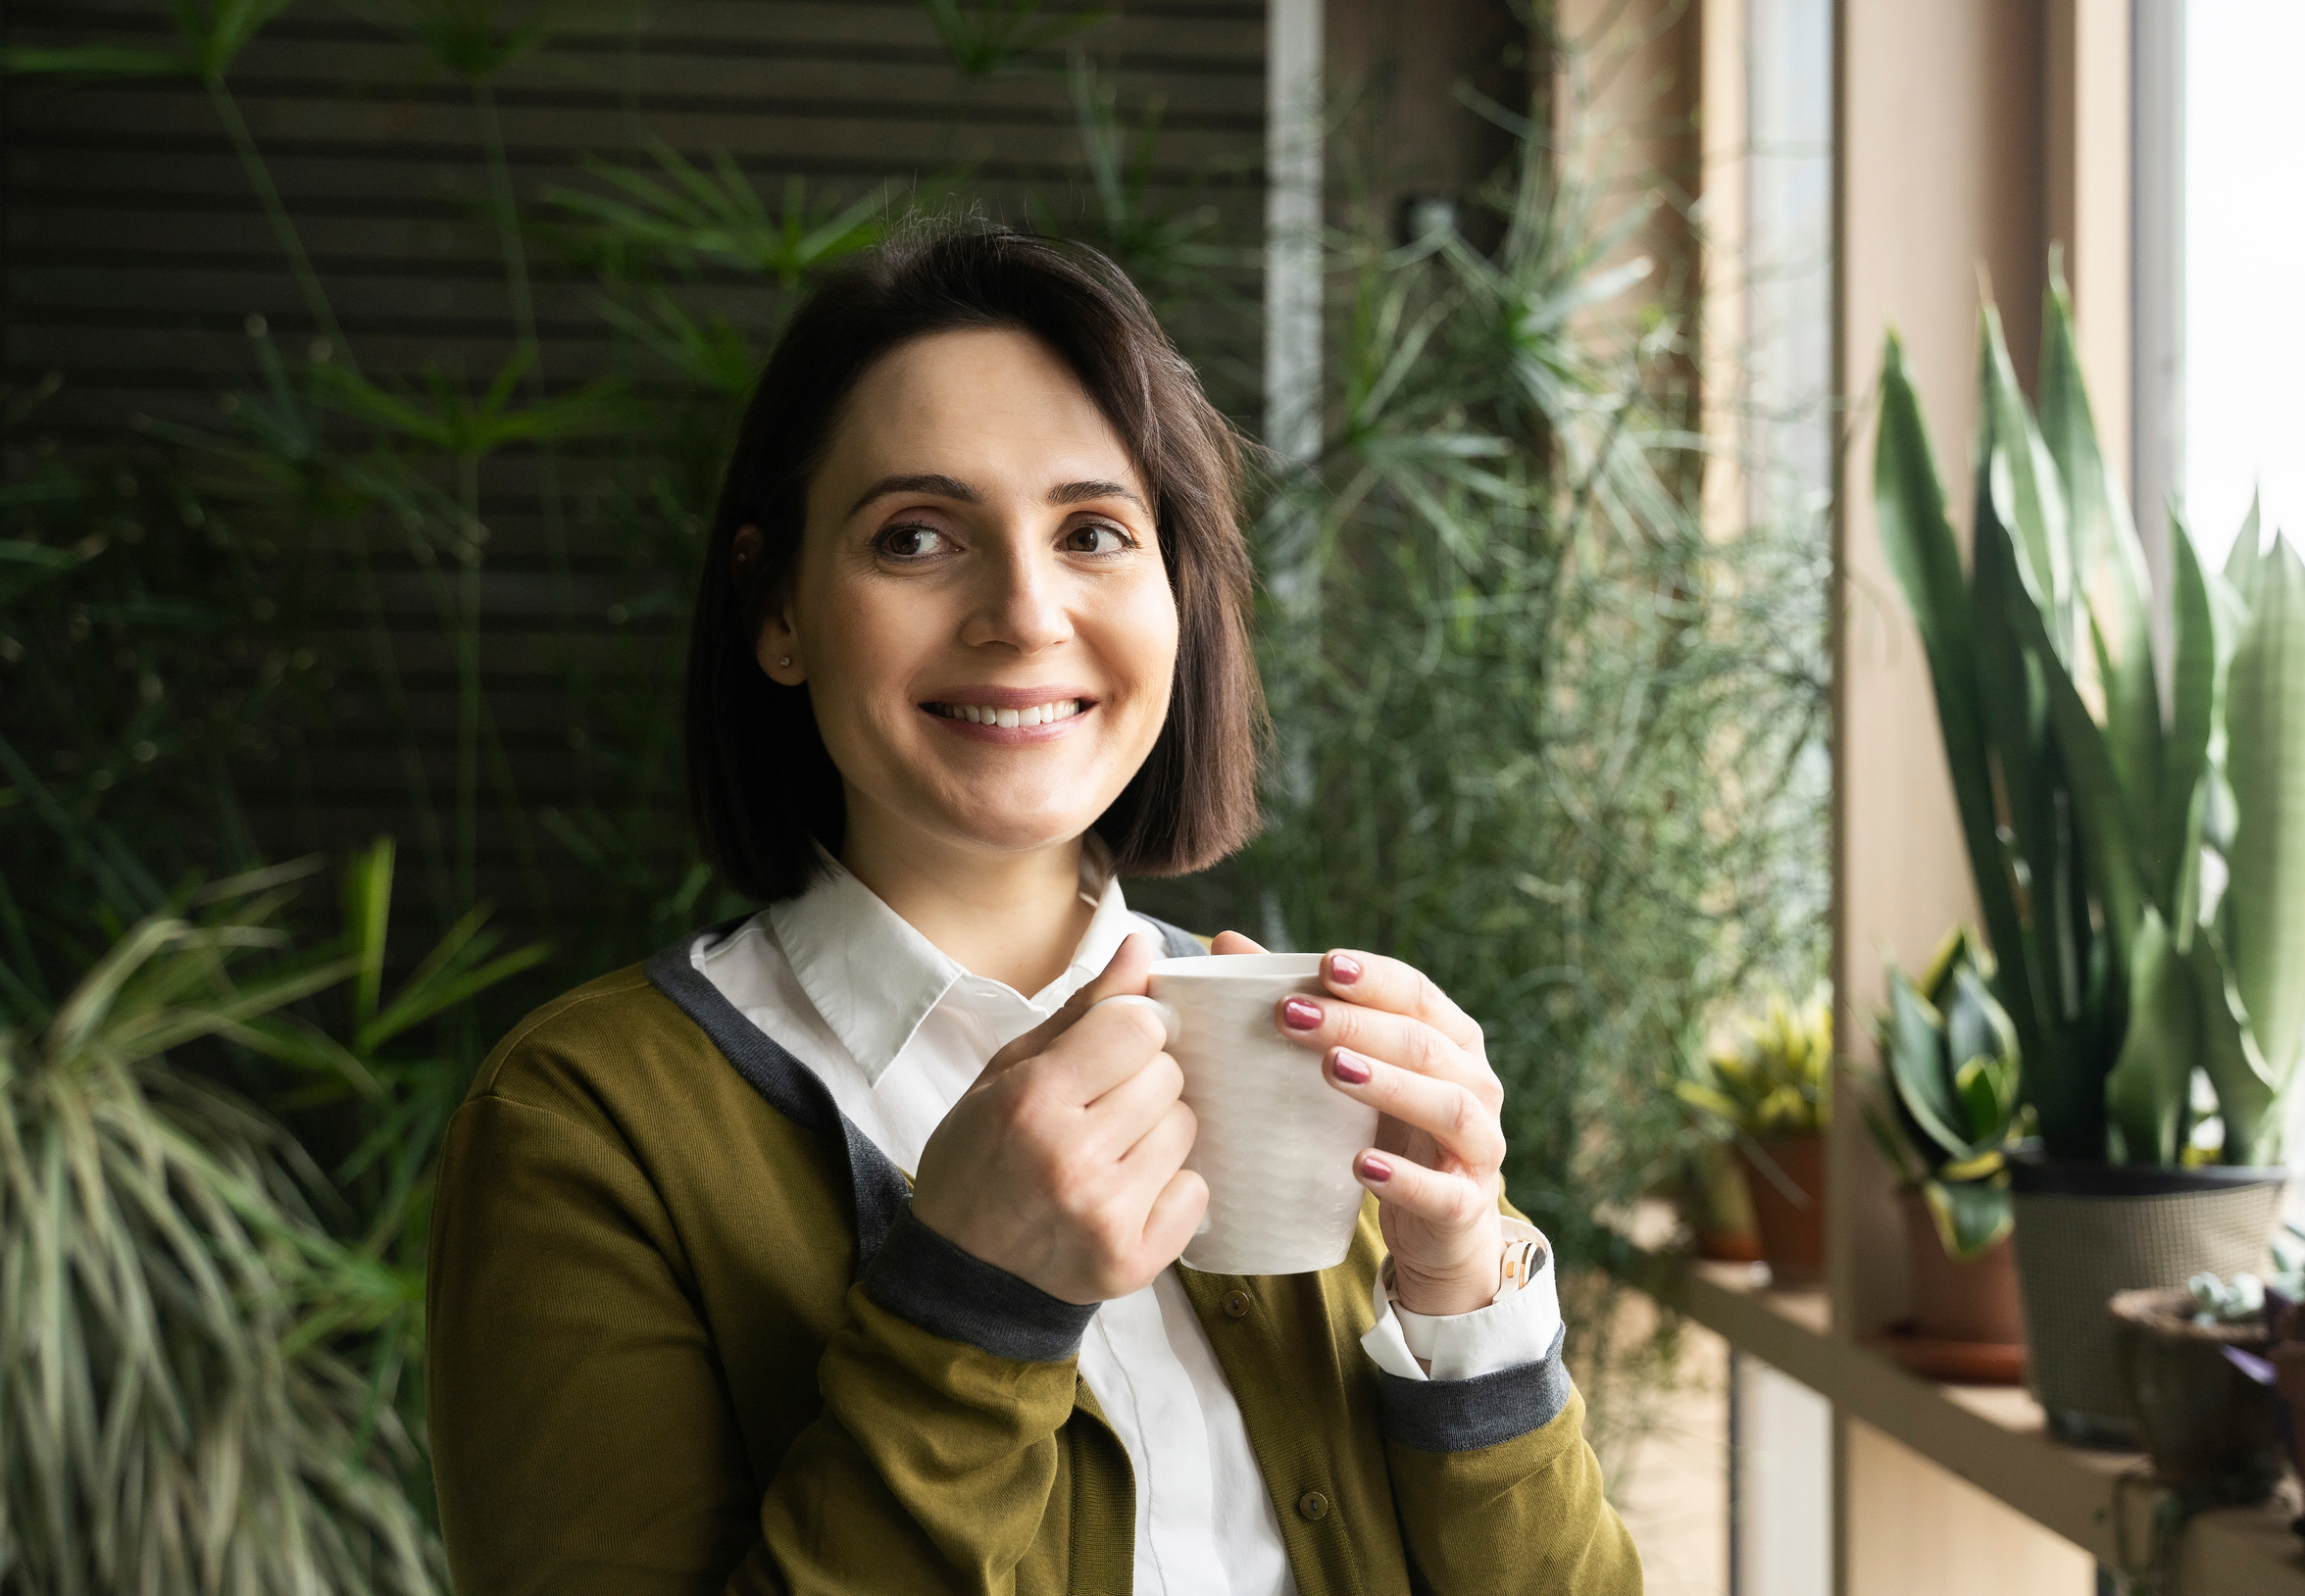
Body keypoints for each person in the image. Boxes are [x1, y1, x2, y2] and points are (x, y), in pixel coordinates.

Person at [426, 224, 1640, 1594]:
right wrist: (969, 1307)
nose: (1025, 610)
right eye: (919, 536)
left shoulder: (1304, 1061)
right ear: (777, 610)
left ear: (1175, 594)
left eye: (1094, 533)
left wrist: (1466, 1288)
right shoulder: (588, 1129)